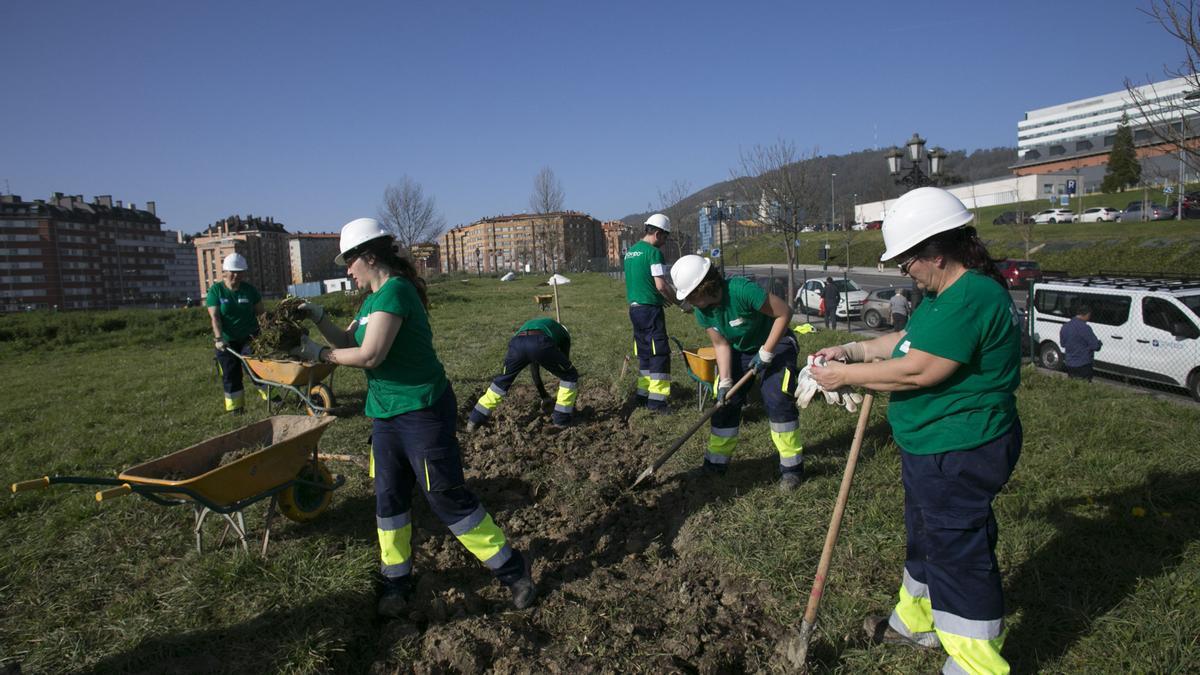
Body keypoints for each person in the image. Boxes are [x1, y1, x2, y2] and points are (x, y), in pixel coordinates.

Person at [809, 187, 1022, 675]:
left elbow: (918, 370)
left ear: (936, 251)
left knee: (956, 549)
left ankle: (976, 663)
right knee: (925, 537)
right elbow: (907, 343)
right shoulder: (943, 295)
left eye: (907, 262)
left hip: (962, 447)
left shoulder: (973, 295)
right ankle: (916, 619)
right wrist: (855, 352)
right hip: (929, 447)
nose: (906, 272)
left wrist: (843, 377)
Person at [294, 217, 535, 616]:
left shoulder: (396, 293)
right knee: (389, 499)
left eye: (349, 261)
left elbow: (371, 355)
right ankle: (395, 580)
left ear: (368, 256)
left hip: (421, 409)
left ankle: (512, 569)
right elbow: (350, 341)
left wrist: (318, 355)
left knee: (444, 496)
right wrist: (319, 319)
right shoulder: (372, 300)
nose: (347, 270)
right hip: (385, 414)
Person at [670, 255, 805, 490]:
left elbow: (784, 313)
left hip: (778, 341)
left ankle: (792, 469)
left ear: (705, 287)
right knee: (724, 402)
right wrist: (725, 381)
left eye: (692, 295)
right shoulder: (703, 312)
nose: (690, 302)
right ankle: (715, 465)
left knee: (776, 398)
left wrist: (766, 352)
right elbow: (721, 345)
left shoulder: (741, 290)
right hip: (740, 350)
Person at [466, 317, 578, 432]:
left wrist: (544, 396)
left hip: (517, 344)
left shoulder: (540, 324)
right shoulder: (564, 335)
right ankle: (561, 419)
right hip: (540, 342)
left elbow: (534, 367)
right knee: (570, 375)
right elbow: (565, 367)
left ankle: (475, 419)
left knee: (502, 382)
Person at [623, 213, 679, 413]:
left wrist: (657, 298)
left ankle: (642, 394)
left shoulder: (631, 252)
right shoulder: (654, 253)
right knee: (660, 353)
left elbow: (642, 282)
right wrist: (678, 302)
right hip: (650, 311)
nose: (665, 242)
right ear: (657, 233)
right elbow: (660, 285)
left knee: (645, 353)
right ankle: (657, 402)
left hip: (635, 309)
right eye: (665, 237)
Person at [205, 253, 265, 414]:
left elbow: (261, 314)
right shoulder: (216, 291)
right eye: (233, 272)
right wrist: (219, 338)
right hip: (226, 342)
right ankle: (236, 409)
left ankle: (273, 399)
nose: (237, 275)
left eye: (240, 272)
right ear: (225, 272)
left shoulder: (249, 291)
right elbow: (215, 317)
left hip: (250, 338)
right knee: (231, 375)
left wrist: (267, 331)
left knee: (257, 370)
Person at [1060, 305, 1101, 381]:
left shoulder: (1065, 326)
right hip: (1083, 364)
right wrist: (1099, 343)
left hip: (1069, 362)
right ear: (1087, 314)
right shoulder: (1085, 328)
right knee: (1084, 385)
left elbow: (1063, 344)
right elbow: (1095, 346)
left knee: (1072, 384)